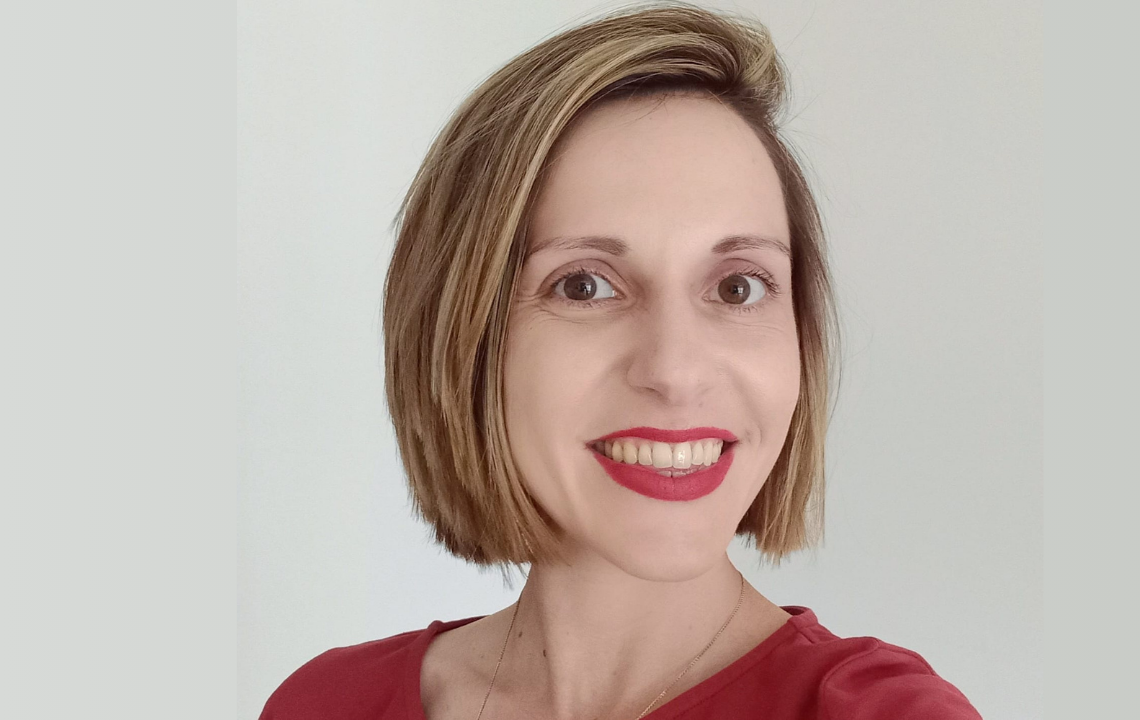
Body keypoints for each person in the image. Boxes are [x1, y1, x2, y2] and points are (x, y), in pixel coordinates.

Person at [262, 3, 982, 718]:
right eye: (584, 286)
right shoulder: (325, 706)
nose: (675, 371)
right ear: (464, 334)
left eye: (737, 287)